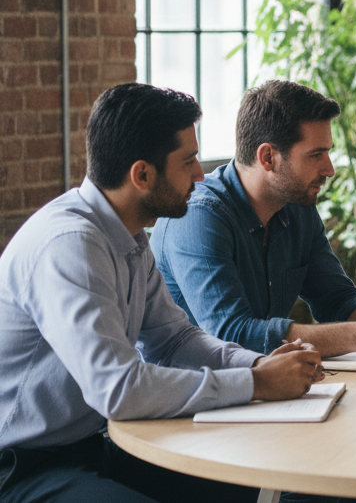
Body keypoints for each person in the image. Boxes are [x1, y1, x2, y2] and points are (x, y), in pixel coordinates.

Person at [0, 84, 320, 503]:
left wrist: (261, 362)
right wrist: (255, 382)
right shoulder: (71, 246)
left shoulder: (129, 236)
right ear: (142, 175)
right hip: (23, 464)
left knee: (247, 484)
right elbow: (118, 389)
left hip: (99, 442)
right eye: (188, 161)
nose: (201, 174)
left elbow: (174, 340)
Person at [151, 80, 356, 360]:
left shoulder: (296, 206)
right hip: (188, 395)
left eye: (328, 153)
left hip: (261, 388)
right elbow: (233, 335)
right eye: (316, 155)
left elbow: (336, 298)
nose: (329, 169)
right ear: (268, 157)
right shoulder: (198, 215)